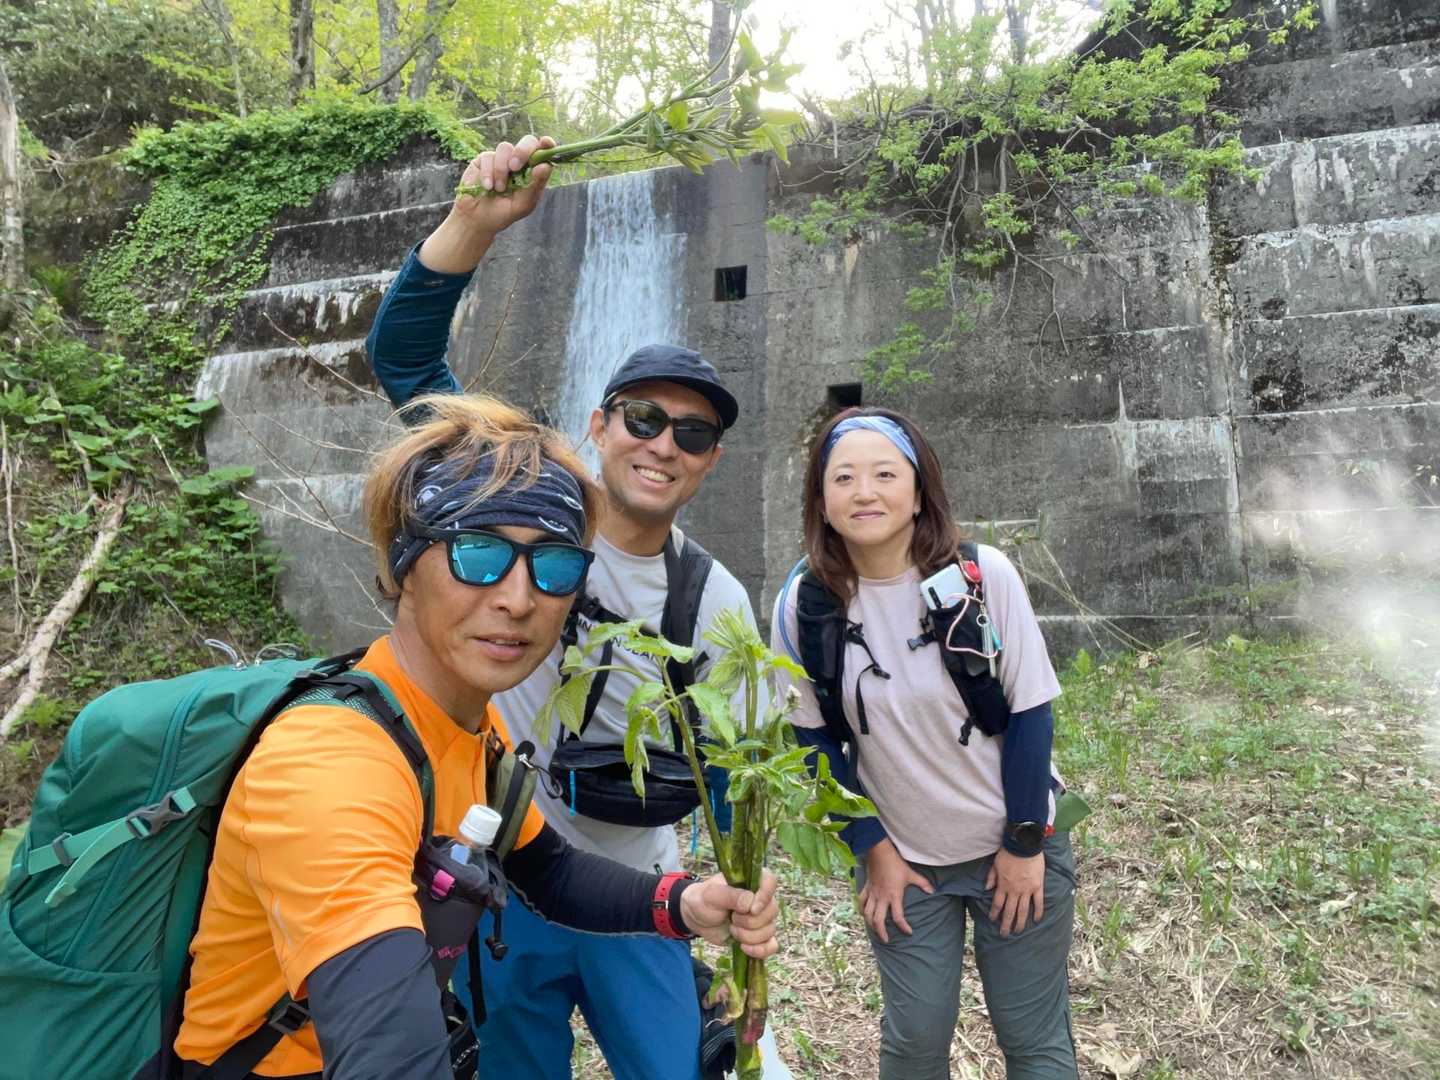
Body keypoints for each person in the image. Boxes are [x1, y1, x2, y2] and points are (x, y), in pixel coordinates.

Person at [172, 393, 780, 1079]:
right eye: (478, 553)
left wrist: (682, 902)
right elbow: (388, 1058)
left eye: (554, 565)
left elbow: (548, 871)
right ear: (402, 565)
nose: (518, 599)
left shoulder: (459, 725)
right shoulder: (330, 764)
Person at [365, 135, 786, 1080]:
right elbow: (402, 359)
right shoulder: (519, 504)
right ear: (598, 425)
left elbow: (734, 769)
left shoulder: (715, 599)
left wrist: (738, 894)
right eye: (643, 418)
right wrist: (471, 224)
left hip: (639, 890)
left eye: (692, 433)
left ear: (711, 460)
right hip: (503, 884)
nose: (663, 445)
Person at [771, 407, 1078, 1080]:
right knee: (914, 1045)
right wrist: (872, 849)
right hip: (903, 859)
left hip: (1013, 844)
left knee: (1033, 1040)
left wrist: (1025, 844)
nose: (864, 492)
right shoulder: (804, 604)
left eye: (885, 474)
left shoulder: (982, 576)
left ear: (918, 493)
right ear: (821, 501)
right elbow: (811, 739)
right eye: (843, 477)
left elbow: (1032, 712)